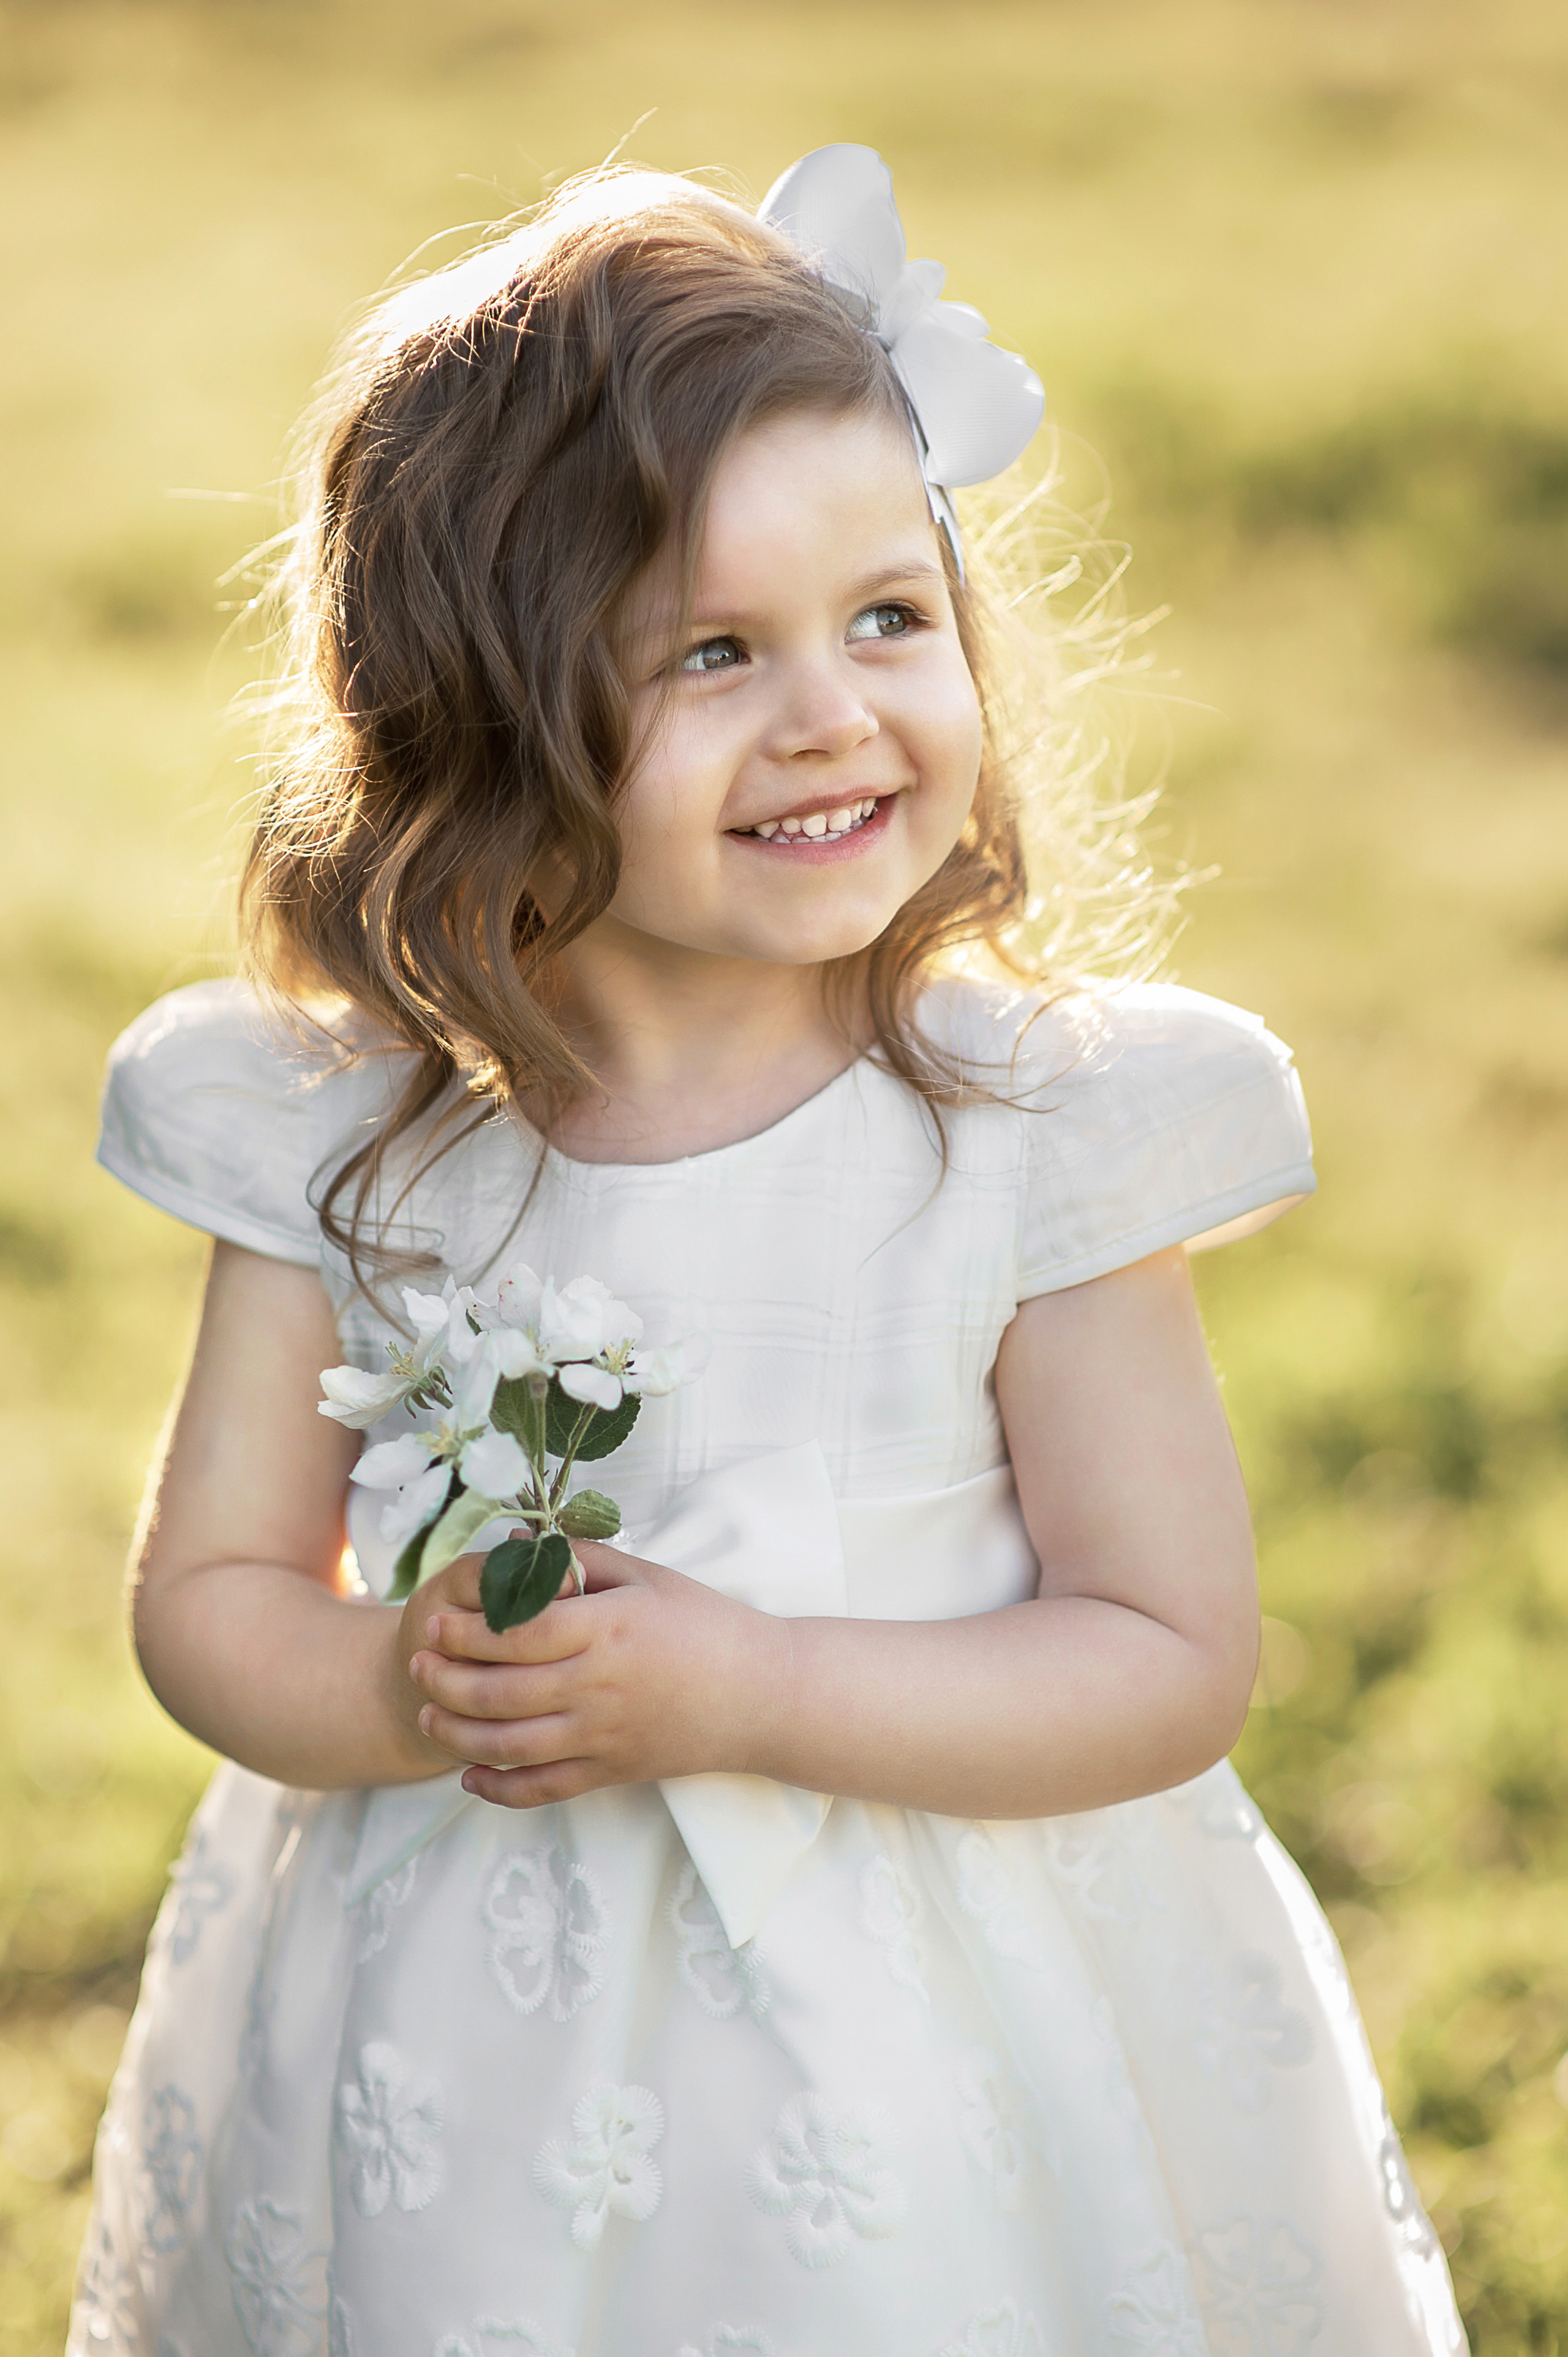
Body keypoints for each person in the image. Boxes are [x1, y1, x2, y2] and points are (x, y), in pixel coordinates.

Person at [70, 146, 1466, 2357]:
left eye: (889, 618)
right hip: (465, 2020)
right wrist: (396, 1680)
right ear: (486, 727)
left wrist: (754, 1690)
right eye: (713, 652)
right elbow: (210, 1594)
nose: (833, 713)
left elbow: (1168, 1647)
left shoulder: (1021, 1135)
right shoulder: (358, 1135)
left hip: (926, 2008)